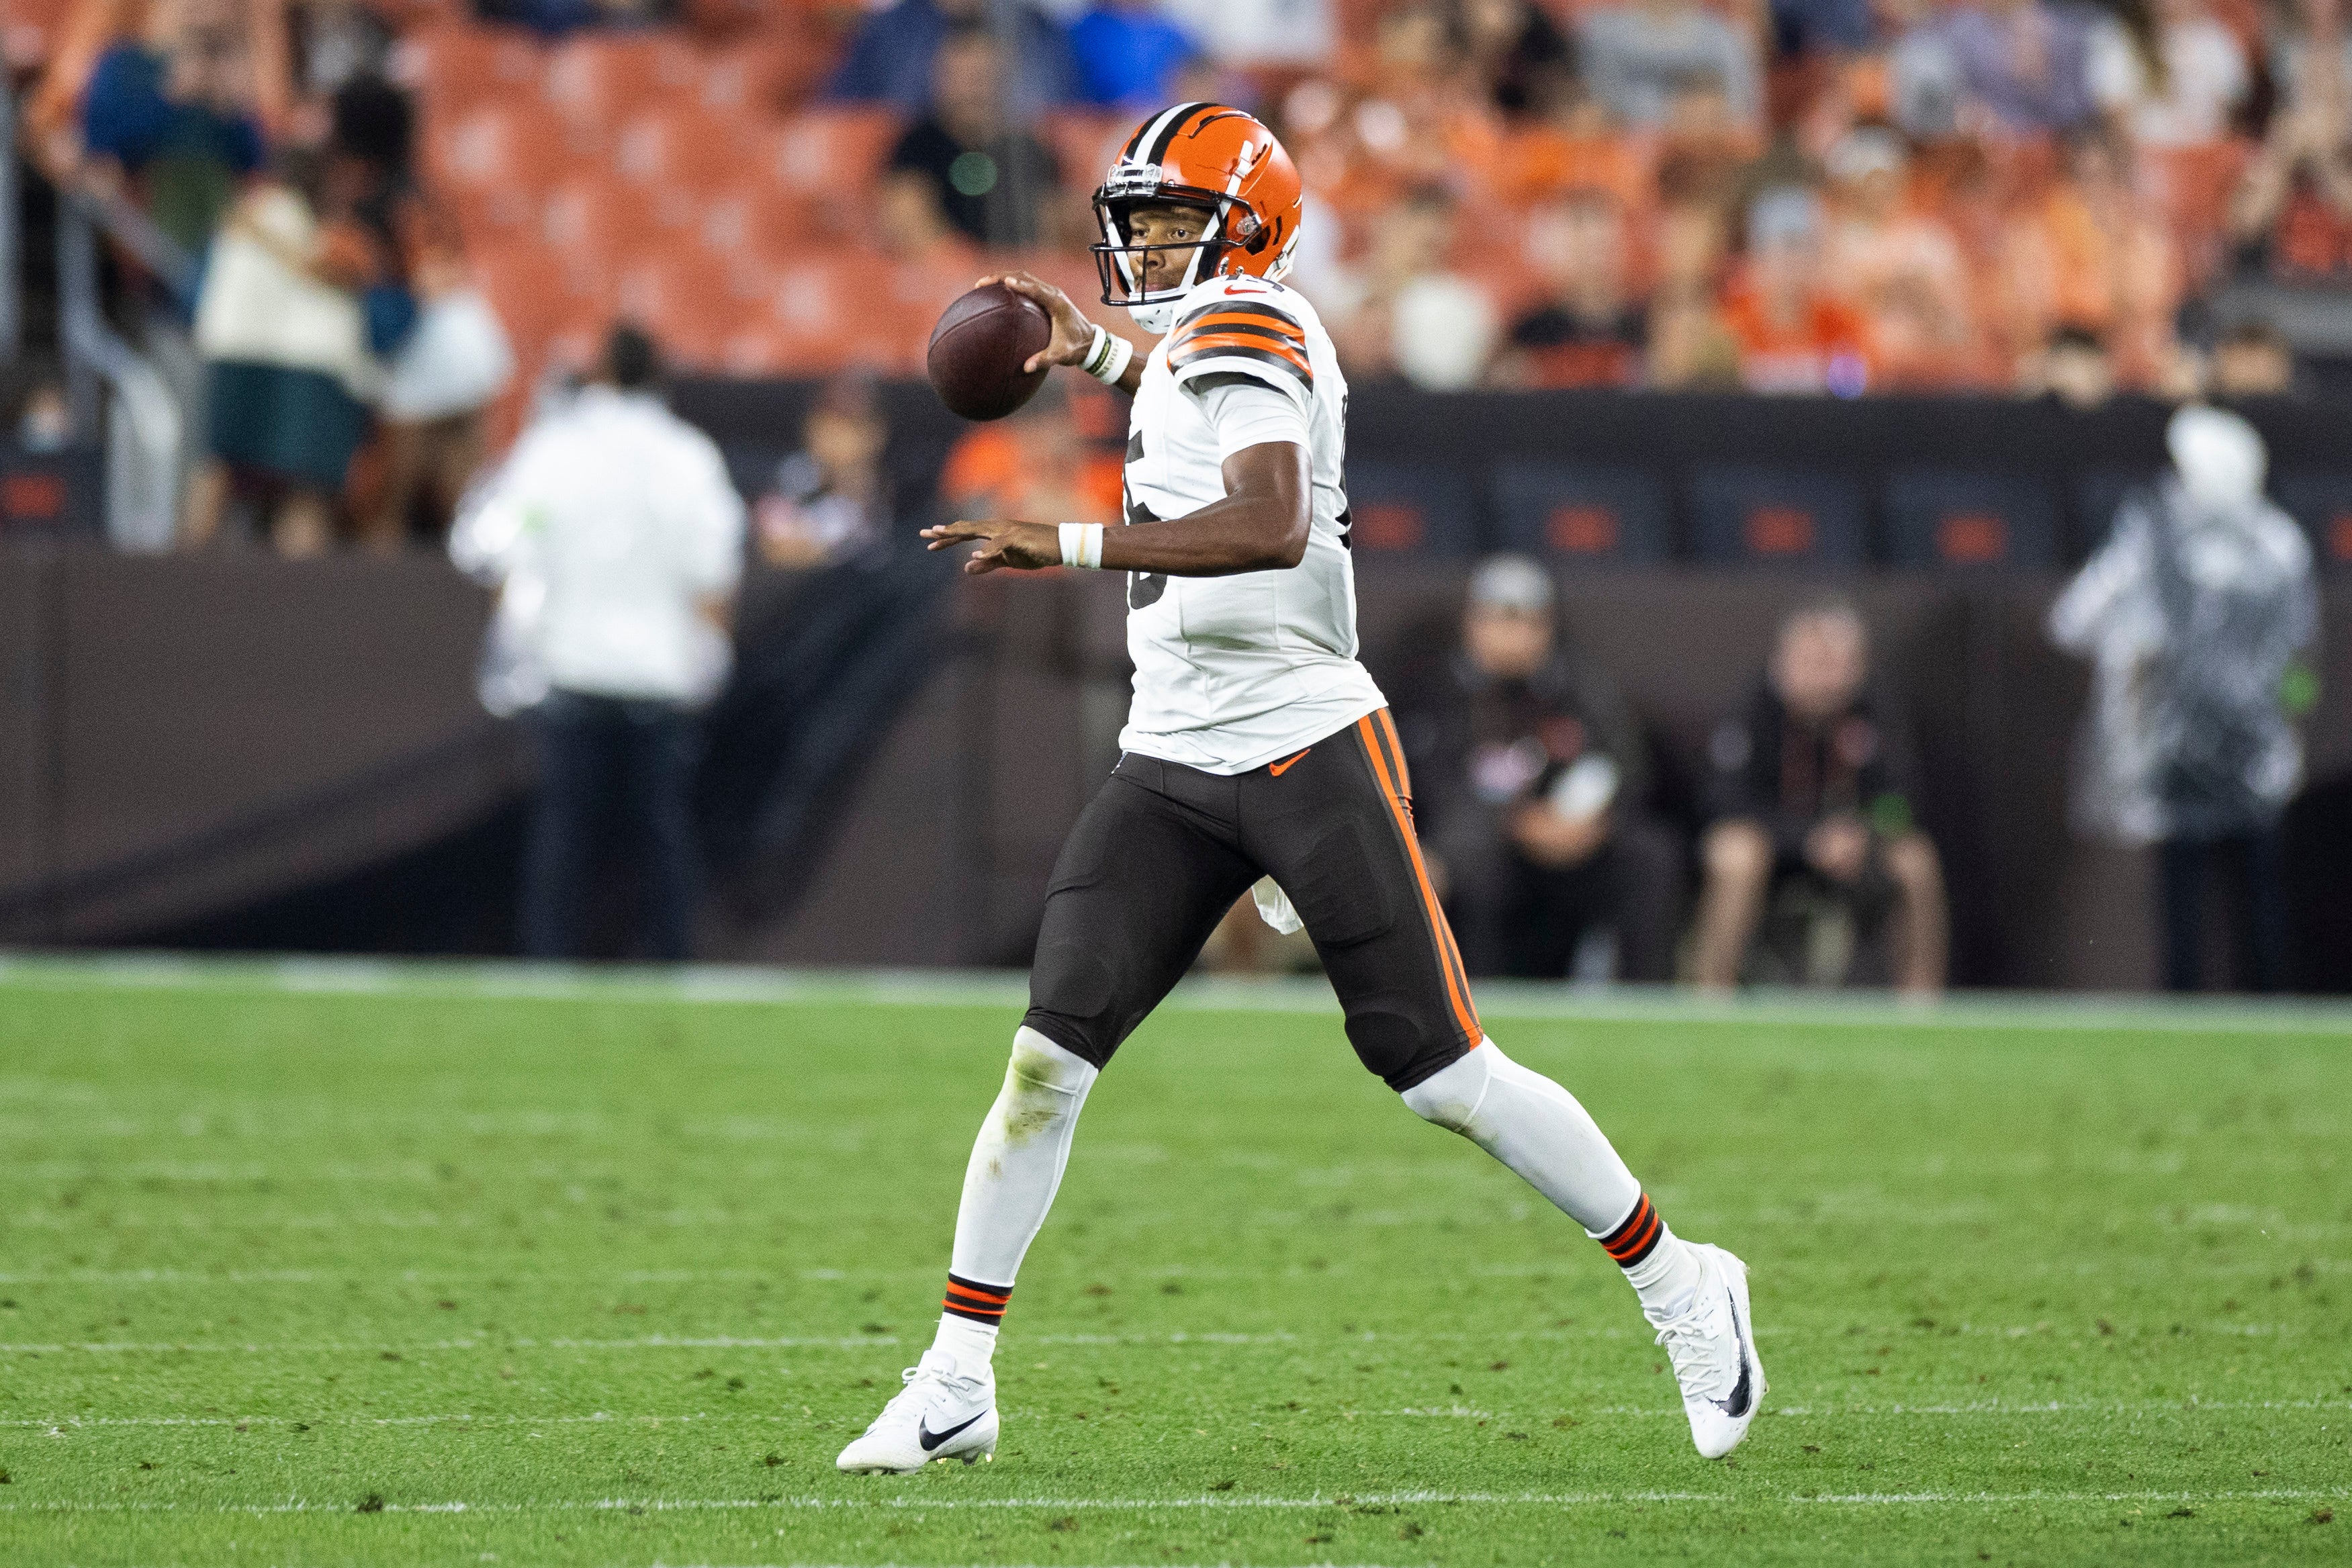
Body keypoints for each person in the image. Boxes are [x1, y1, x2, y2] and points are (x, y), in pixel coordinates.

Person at [835, 101, 1763, 1477]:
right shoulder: (1212, 332)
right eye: (1134, 221)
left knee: (1441, 1072)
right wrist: (1094, 349)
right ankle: (957, 1375)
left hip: (1299, 742)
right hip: (1170, 753)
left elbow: (1268, 521)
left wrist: (1071, 542)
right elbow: (1187, 378)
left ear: (1245, 230)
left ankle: (1682, 1280)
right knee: (1046, 1059)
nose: (1143, 246)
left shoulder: (1258, 322)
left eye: (1169, 222)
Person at [462, 324, 746, 962]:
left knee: (564, 833)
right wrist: (708, 658)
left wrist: (517, 652)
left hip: (571, 667)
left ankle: (549, 962)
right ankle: (671, 961)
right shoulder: (688, 456)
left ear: (600, 373)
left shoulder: (552, 449)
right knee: (662, 836)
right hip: (659, 675)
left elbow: (508, 554)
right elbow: (715, 573)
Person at [2049, 405, 2317, 992]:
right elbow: (2301, 659)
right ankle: (2206, 1007)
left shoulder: (2199, 540)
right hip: (2203, 754)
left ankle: (2249, 1003)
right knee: (2202, 896)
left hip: (2220, 752)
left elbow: (2075, 618)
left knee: (2238, 894)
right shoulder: (2277, 542)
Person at [1396, 555, 1685, 981]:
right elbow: (1433, 788)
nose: (1516, 636)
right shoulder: (1437, 693)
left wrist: (1593, 823)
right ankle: (1472, 1007)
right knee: (1461, 869)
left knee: (1650, 856)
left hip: (1578, 846)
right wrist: (1516, 821)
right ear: (1473, 624)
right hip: (1484, 849)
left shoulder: (1580, 688)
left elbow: (1625, 767)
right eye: (1501, 620)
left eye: (1529, 622)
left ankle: (1644, 1002)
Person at [1692, 599, 1948, 995]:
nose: (1825, 677)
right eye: (1812, 661)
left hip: (1856, 851)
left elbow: (1902, 801)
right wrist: (1804, 839)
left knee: (1915, 859)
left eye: (1836, 663)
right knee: (1733, 853)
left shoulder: (1876, 711)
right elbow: (1723, 800)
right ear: (1784, 660)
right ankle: (1710, 995)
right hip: (1777, 850)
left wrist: (1863, 833)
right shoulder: (1753, 708)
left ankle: (1921, 1003)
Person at [883, 24, 1064, 249]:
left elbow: (1054, 224)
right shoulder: (918, 144)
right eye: (961, 77)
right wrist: (962, 268)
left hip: (1017, 271)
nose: (973, 90)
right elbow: (904, 213)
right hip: (941, 274)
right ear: (941, 79)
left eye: (983, 77)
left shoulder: (1027, 148)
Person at [1493, 187, 1647, 388]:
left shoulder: (1645, 326)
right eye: (1581, 238)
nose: (1593, 253)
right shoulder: (1530, 330)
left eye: (1601, 243)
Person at [828, 0, 1074, 119]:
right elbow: (837, 122)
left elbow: (1072, 129)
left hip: (1021, 188)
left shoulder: (1039, 32)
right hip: (913, 178)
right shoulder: (887, 32)